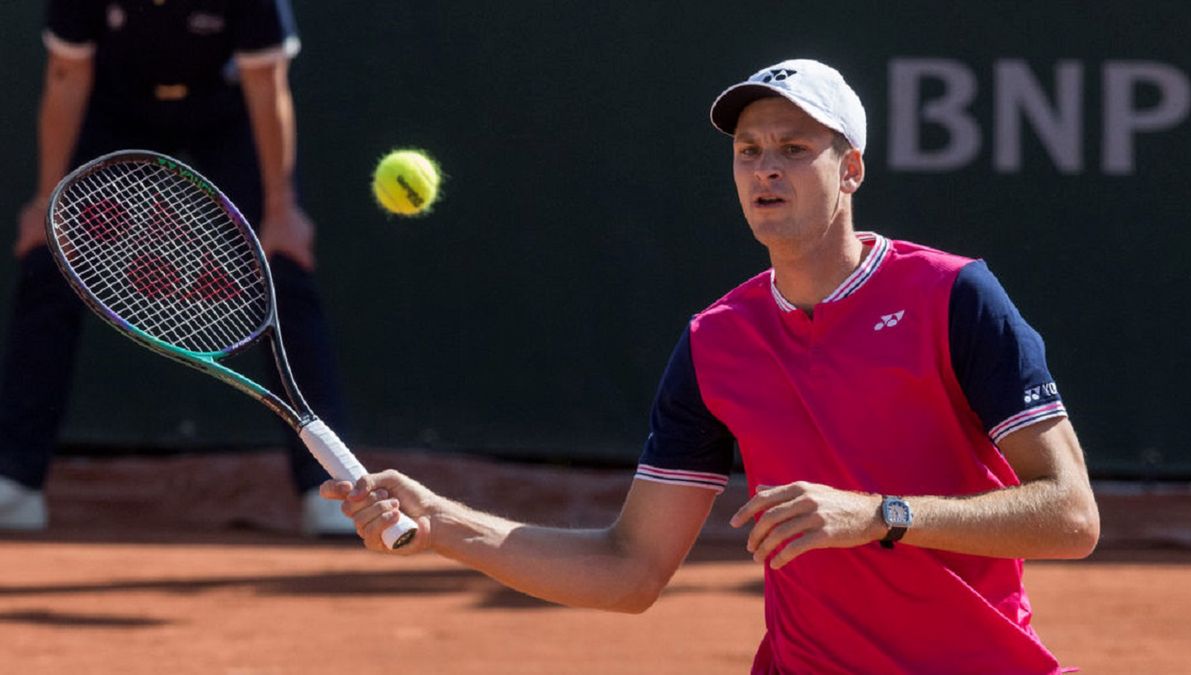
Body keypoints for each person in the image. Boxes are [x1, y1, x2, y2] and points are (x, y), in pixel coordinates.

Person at [322, 59, 1100, 672]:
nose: (767, 169)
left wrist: (879, 514)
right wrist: (443, 524)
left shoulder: (955, 295)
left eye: (795, 150)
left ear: (851, 169)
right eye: (749, 151)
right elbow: (629, 568)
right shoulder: (716, 340)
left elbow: (1071, 515)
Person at [0, 0, 353, 536]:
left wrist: (281, 210)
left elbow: (266, 83)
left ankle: (327, 490)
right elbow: (68, 75)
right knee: (48, 262)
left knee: (284, 266)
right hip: (113, 108)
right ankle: (16, 484)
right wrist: (49, 199)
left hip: (224, 111)